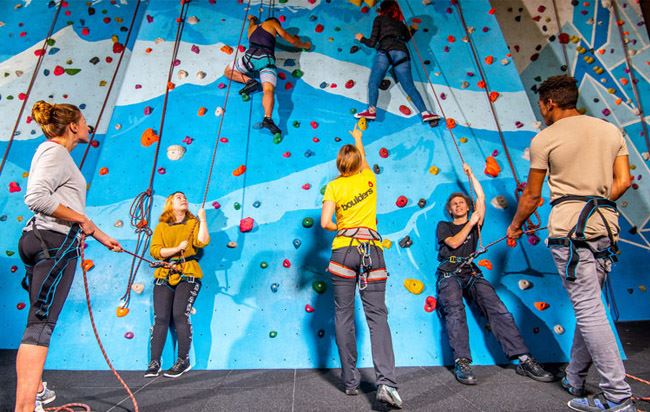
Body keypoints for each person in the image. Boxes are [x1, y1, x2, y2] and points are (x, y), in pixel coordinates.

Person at [507, 75, 635, 412]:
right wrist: (594, 201)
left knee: (589, 310)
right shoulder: (610, 131)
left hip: (569, 231)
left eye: (541, 105)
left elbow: (532, 195)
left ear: (549, 103)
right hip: (605, 226)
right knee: (590, 308)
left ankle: (618, 397)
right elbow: (623, 181)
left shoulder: (546, 138)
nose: (542, 111)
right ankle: (575, 377)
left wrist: (516, 226)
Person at [16, 101, 123, 412]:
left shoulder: (54, 154)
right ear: (74, 126)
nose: (89, 127)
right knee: (40, 327)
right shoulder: (56, 152)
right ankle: (25, 407)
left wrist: (101, 236)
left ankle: (37, 390)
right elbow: (36, 198)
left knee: (37, 323)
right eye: (85, 121)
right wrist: (80, 220)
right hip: (54, 243)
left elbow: (69, 209)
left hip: (46, 240)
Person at [436, 163, 553, 386]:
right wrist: (470, 223)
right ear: (450, 210)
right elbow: (453, 244)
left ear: (468, 207)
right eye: (454, 204)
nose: (458, 205)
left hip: (471, 271)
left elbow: (481, 197)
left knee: (498, 310)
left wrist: (471, 175)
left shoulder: (476, 223)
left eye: (462, 202)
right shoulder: (445, 226)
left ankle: (524, 359)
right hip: (449, 272)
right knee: (455, 312)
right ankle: (462, 362)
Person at [320, 123, 402, 409]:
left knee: (343, 315)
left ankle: (350, 382)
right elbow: (365, 160)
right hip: (372, 250)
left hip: (343, 251)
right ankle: (387, 384)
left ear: (339, 164)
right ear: (358, 163)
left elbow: (325, 223)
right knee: (378, 316)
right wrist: (358, 137)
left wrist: (343, 227)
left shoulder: (333, 186)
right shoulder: (368, 178)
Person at [145, 192, 210, 379]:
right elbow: (155, 251)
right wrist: (176, 249)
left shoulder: (193, 223)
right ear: (170, 204)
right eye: (178, 197)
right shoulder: (162, 226)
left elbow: (202, 241)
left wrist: (203, 220)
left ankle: (183, 360)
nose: (183, 199)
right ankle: (154, 362)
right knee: (161, 318)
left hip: (188, 273)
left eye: (185, 197)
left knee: (180, 315)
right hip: (164, 274)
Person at [354, 0, 440, 123]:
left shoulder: (379, 19)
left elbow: (372, 43)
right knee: (409, 87)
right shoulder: (400, 23)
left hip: (385, 51)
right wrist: (413, 29)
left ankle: (371, 110)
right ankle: (425, 113)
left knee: (374, 83)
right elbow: (406, 38)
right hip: (402, 54)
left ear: (383, 9)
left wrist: (361, 38)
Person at [224, 15, 311, 136]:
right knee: (268, 90)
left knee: (228, 71)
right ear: (275, 23)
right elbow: (292, 41)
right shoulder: (273, 24)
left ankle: (250, 81)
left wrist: (252, 19)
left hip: (250, 58)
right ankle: (268, 118)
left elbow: (251, 23)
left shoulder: (252, 28)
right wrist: (305, 45)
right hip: (267, 60)